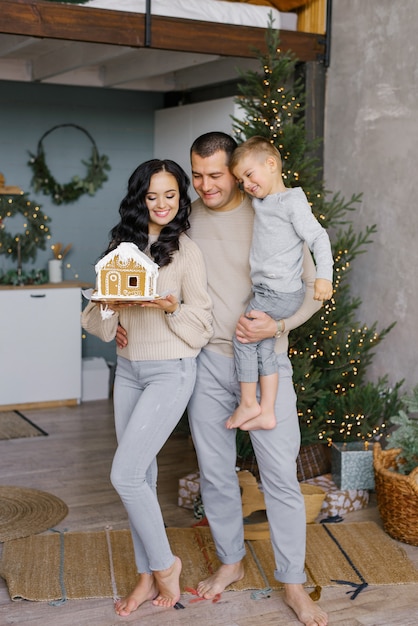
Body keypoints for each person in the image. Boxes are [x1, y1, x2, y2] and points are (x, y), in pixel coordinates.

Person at [116, 133, 329, 626]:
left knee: (279, 475)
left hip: (268, 360)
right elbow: (149, 268)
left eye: (216, 175)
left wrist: (280, 326)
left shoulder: (273, 211)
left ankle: (293, 584)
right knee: (215, 474)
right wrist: (125, 315)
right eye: (198, 175)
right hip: (206, 362)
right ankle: (231, 562)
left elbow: (313, 285)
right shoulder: (185, 216)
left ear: (236, 170)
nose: (205, 185)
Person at [81, 159, 213, 618]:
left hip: (171, 372)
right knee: (143, 478)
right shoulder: (122, 247)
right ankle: (144, 577)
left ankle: (165, 565)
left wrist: (171, 307)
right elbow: (94, 323)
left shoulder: (187, 252)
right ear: (139, 198)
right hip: (129, 372)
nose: (161, 204)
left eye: (170, 195)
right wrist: (109, 307)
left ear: (180, 199)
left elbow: (203, 325)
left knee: (124, 475)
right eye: (152, 196)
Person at [226, 136, 333, 432]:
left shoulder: (291, 202)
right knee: (264, 348)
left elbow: (318, 237)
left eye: (249, 175)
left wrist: (325, 276)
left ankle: (249, 403)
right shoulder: (262, 200)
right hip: (272, 290)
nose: (246, 184)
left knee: (244, 337)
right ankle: (267, 412)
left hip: (278, 292)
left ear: (271, 164)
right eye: (240, 180)